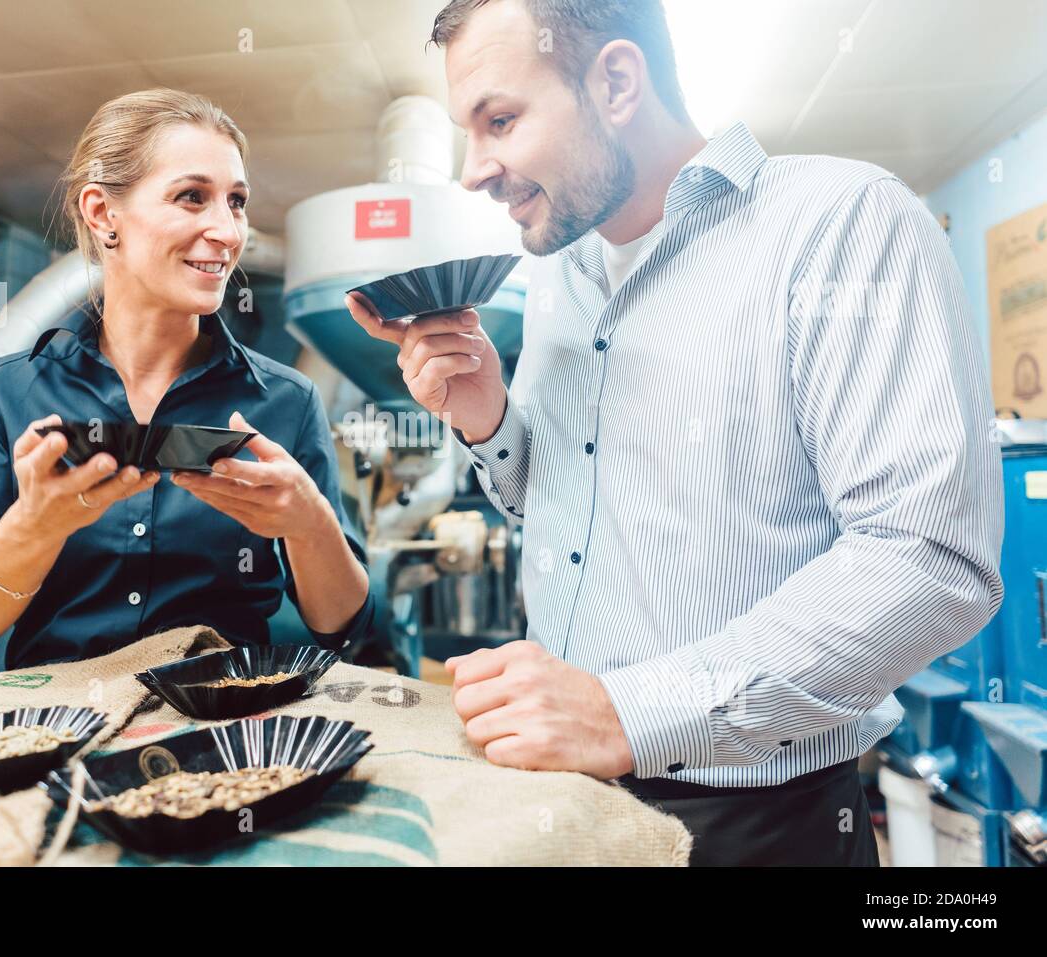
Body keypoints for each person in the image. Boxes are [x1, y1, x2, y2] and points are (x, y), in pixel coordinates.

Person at [346, 0, 1003, 865]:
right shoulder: (561, 273)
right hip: (568, 796)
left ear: (616, 81)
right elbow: (563, 514)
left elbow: (928, 558)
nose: (476, 170)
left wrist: (629, 711)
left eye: (500, 120)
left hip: (759, 822)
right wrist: (491, 421)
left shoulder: (842, 224)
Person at [0, 89, 373, 669]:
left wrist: (309, 524)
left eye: (235, 202)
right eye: (191, 197)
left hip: (226, 730)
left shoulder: (285, 400)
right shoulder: (12, 392)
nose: (229, 233)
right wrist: (34, 528)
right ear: (105, 214)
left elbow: (341, 625)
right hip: (63, 734)